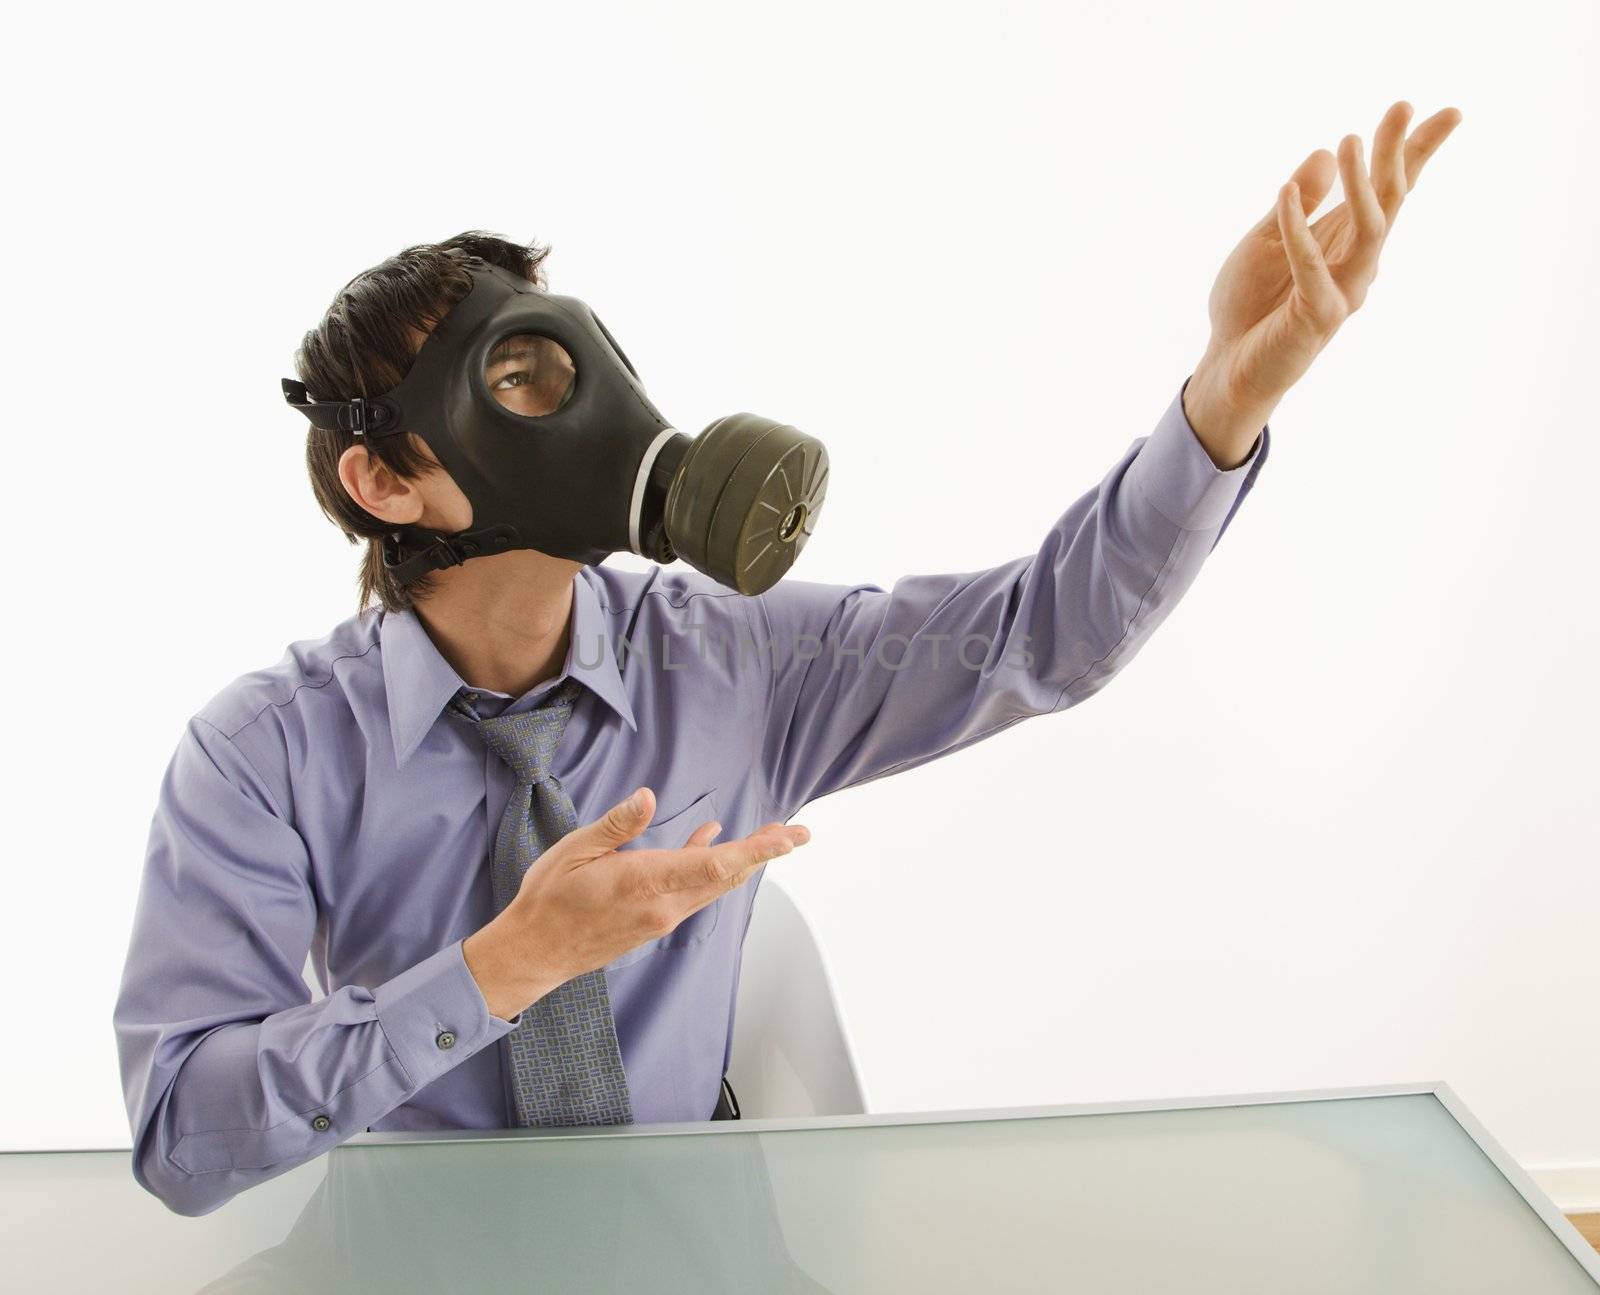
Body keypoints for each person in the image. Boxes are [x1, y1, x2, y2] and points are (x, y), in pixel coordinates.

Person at [113, 100, 1461, 1216]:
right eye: (517, 380)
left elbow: (1040, 636)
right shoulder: (262, 755)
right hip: (413, 1243)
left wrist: (1230, 390)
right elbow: (183, 1138)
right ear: (387, 481)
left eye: (571, 355)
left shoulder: (732, 659)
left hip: (697, 1234)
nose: (578, 402)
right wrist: (500, 969)